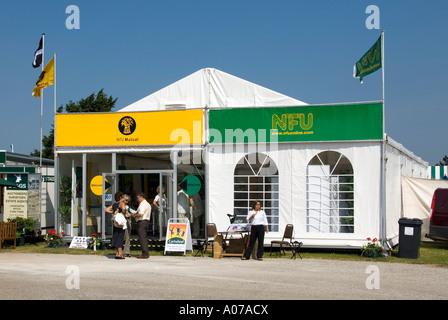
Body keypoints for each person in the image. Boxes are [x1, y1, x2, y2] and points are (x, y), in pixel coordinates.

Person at [109, 194, 129, 259]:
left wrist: (113, 213)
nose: (127, 202)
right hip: (120, 223)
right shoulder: (122, 204)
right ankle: (120, 254)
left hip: (115, 222)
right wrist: (124, 213)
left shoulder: (114, 204)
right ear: (123, 199)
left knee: (115, 236)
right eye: (126, 200)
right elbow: (123, 209)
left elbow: (106, 209)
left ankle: (116, 253)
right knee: (120, 237)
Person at [133, 192, 151, 259]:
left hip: (142, 222)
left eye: (137, 198)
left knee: (142, 238)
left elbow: (141, 214)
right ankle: (144, 253)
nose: (137, 200)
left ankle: (145, 253)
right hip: (146, 222)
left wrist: (134, 215)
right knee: (143, 237)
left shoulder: (143, 204)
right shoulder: (147, 204)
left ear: (141, 197)